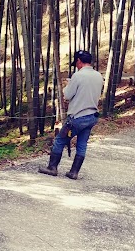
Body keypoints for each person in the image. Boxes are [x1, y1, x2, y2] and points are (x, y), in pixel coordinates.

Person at [38, 50, 104, 179]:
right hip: (92, 116)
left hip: (77, 117)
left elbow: (67, 95)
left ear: (79, 61)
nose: (76, 65)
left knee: (59, 141)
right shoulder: (98, 76)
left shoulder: (78, 76)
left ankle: (52, 167)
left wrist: (67, 85)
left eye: (76, 63)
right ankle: (74, 172)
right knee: (82, 144)